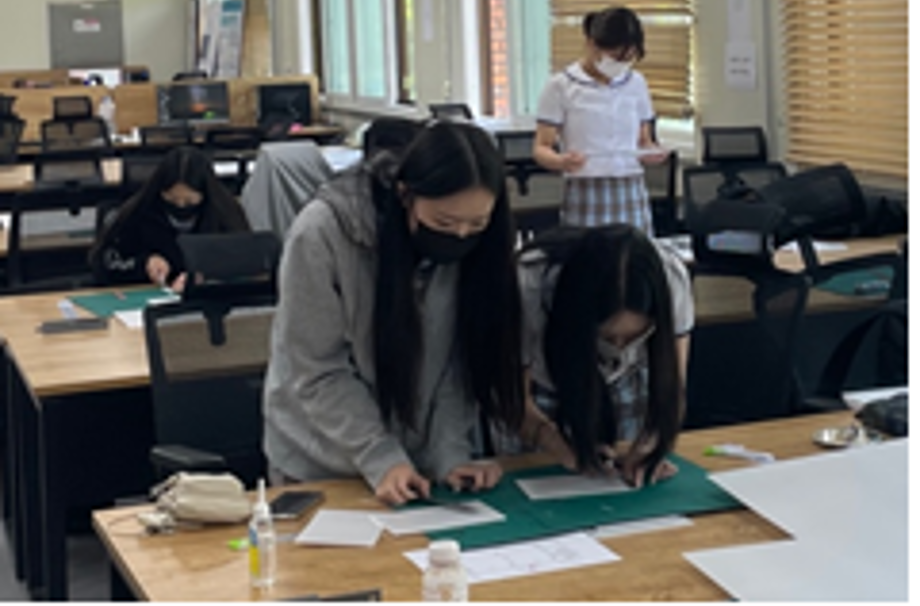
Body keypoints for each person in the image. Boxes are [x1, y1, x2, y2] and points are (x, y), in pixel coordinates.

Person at [263, 121, 524, 505]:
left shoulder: (479, 249)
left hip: (413, 462)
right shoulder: (324, 232)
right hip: (321, 459)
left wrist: (450, 455)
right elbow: (317, 370)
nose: (460, 235)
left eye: (477, 224)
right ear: (406, 195)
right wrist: (381, 457)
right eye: (444, 222)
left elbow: (457, 361)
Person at [512, 224, 693, 487]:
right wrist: (554, 442)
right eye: (607, 338)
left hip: (628, 382)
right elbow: (513, 400)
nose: (619, 347)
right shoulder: (527, 287)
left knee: (619, 478)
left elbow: (673, 383)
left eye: (635, 337)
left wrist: (652, 441)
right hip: (543, 394)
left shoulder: (670, 279)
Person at [533, 6, 670, 232]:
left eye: (629, 58)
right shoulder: (561, 85)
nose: (621, 64)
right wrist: (561, 161)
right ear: (592, 44)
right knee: (589, 251)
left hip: (630, 185)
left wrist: (652, 152)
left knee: (633, 251)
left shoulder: (636, 83)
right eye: (615, 57)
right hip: (585, 187)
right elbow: (541, 148)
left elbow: (644, 141)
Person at [90, 146, 250, 290]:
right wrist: (144, 264)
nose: (180, 206)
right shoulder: (140, 213)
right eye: (171, 199)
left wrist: (204, 277)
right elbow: (103, 263)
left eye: (189, 202)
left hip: (210, 299)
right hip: (147, 297)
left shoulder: (224, 215)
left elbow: (245, 263)